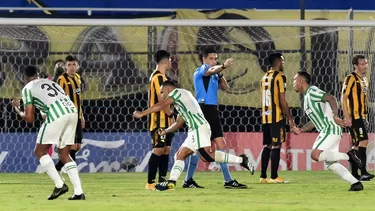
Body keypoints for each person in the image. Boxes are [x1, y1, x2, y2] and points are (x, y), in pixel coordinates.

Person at [133, 81, 254, 191]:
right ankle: (171, 183)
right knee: (180, 155)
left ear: (169, 89)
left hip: (199, 127)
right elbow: (178, 123)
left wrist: (142, 113)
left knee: (206, 156)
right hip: (194, 130)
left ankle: (241, 160)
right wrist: (166, 131)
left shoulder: (178, 93)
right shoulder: (183, 99)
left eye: (162, 92)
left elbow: (161, 104)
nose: (161, 94)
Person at [11, 66, 85, 199]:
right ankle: (79, 192)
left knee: (39, 151)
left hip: (57, 114)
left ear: (25, 78)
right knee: (64, 153)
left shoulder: (28, 88)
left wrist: (17, 108)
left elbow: (29, 118)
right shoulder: (50, 82)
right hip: (72, 112)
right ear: (38, 74)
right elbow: (46, 110)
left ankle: (59, 185)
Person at [183, 48, 247, 189]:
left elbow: (225, 86)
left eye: (215, 58)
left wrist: (221, 72)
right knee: (199, 147)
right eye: (211, 58)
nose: (214, 61)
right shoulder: (201, 70)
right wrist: (222, 66)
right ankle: (189, 180)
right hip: (203, 109)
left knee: (220, 144)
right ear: (204, 59)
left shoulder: (215, 73)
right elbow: (209, 71)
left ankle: (227, 180)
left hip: (212, 110)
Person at [292, 71, 363, 191]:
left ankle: (348, 156)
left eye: (294, 80)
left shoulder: (312, 91)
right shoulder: (307, 99)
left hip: (330, 128)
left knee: (315, 155)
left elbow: (331, 98)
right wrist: (301, 129)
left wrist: (335, 115)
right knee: (331, 164)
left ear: (301, 81)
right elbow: (314, 121)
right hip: (328, 131)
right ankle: (356, 183)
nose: (293, 83)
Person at [260, 53, 295, 184]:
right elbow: (282, 100)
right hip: (276, 116)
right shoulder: (280, 77)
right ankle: (274, 177)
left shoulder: (264, 77)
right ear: (278, 62)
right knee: (277, 144)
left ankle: (263, 176)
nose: (284, 63)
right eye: (283, 61)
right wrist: (290, 118)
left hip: (265, 116)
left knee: (268, 145)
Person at [341, 55, 374, 181]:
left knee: (356, 145)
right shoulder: (350, 78)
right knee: (364, 140)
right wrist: (347, 116)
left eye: (366, 64)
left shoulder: (364, 79)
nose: (365, 66)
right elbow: (344, 97)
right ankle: (364, 171)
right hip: (354, 116)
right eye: (362, 64)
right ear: (356, 65)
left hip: (362, 115)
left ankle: (355, 174)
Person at [145, 50, 175, 190]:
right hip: (158, 121)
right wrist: (170, 115)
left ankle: (162, 180)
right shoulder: (157, 78)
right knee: (158, 148)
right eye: (169, 60)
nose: (170, 63)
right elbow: (162, 101)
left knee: (166, 149)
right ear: (165, 61)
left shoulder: (163, 77)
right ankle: (150, 183)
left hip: (166, 121)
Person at [54, 56, 85, 179]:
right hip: (67, 117)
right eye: (69, 65)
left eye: (74, 65)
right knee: (71, 145)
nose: (72, 67)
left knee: (77, 146)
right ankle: (73, 174)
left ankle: (58, 167)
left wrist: (81, 116)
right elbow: (58, 99)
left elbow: (79, 99)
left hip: (77, 116)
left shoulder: (78, 78)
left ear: (77, 66)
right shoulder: (61, 80)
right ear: (65, 67)